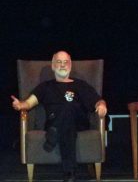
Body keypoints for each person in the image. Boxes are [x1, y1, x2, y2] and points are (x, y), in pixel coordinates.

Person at [11, 51, 107, 182]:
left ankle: (54, 135)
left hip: (78, 122)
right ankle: (69, 171)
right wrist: (20, 105)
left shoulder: (80, 85)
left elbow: (98, 100)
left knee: (67, 108)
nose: (62, 65)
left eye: (65, 62)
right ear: (53, 65)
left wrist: (101, 106)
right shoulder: (44, 87)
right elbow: (28, 103)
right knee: (65, 120)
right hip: (54, 122)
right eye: (59, 62)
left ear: (70, 65)